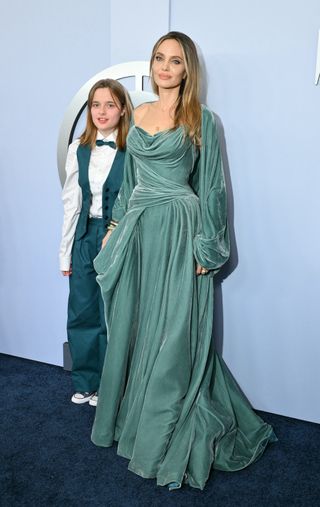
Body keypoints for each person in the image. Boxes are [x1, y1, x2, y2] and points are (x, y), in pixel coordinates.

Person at [91, 32, 276, 489]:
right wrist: (115, 227)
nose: (164, 67)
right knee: (136, 324)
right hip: (140, 229)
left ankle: (164, 427)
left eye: (175, 61)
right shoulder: (135, 115)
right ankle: (130, 418)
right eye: (159, 58)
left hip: (179, 229)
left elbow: (212, 187)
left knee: (175, 334)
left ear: (187, 69)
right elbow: (130, 177)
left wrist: (207, 247)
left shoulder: (202, 120)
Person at [59, 79, 132, 406]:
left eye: (110, 105)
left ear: (123, 109)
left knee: (115, 313)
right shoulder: (79, 148)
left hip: (119, 235)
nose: (102, 112)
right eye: (96, 105)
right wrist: (65, 253)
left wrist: (117, 232)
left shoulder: (133, 147)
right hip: (86, 235)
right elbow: (71, 203)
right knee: (82, 310)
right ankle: (86, 380)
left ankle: (112, 384)